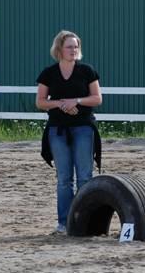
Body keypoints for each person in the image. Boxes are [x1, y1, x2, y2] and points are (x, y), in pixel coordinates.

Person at [36, 30, 102, 233]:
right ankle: (64, 223)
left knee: (84, 177)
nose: (73, 50)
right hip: (58, 129)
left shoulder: (87, 71)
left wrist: (77, 101)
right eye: (69, 47)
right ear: (59, 49)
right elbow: (40, 102)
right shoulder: (49, 73)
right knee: (64, 179)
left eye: (76, 46)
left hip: (83, 127)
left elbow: (97, 99)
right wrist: (62, 104)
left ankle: (86, 221)